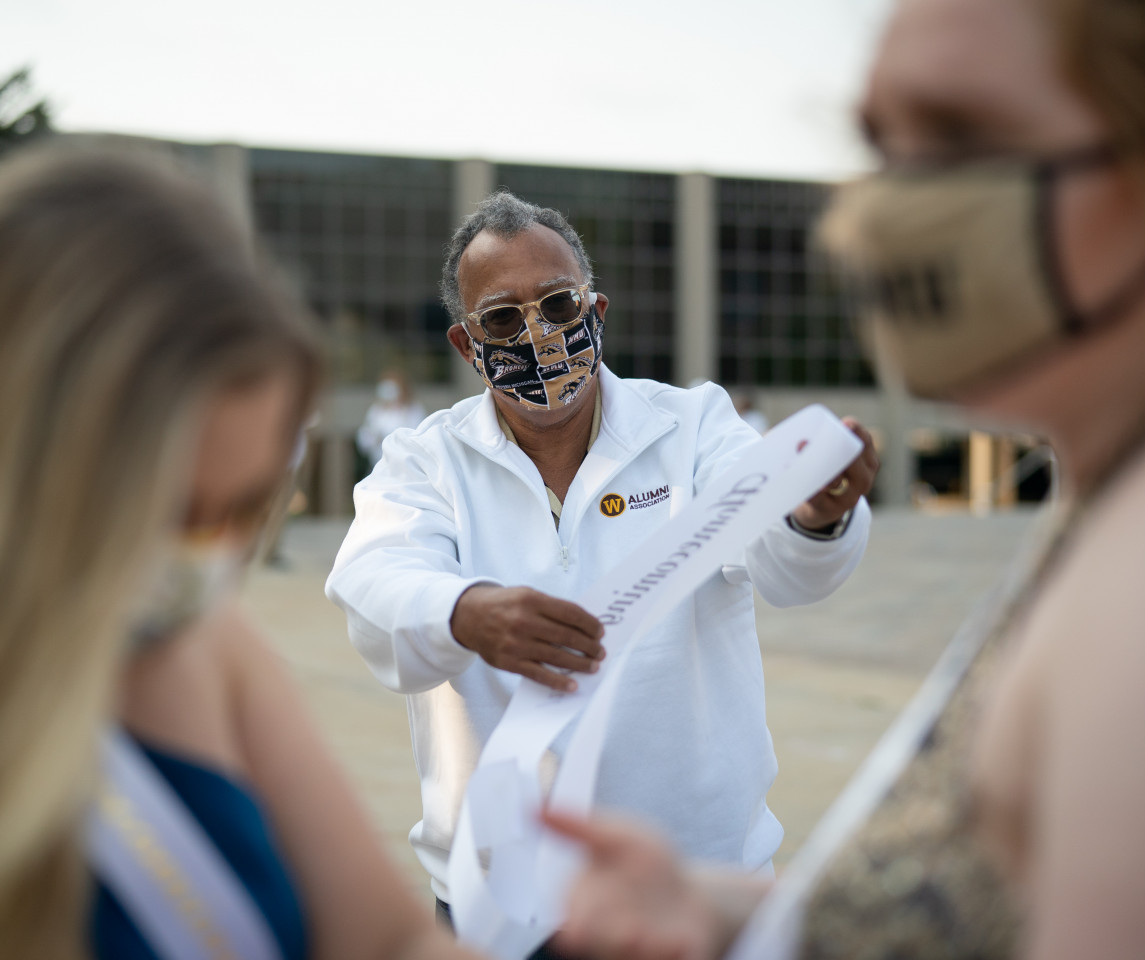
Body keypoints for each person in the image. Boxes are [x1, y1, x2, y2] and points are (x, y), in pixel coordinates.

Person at [543, 0, 1145, 957]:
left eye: (964, 136)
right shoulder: (1119, 492)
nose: (889, 209)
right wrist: (728, 912)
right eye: (878, 142)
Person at [0, 148, 483, 960]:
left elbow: (390, 941)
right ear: (6, 440)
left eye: (242, 509)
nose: (209, 558)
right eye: (167, 512)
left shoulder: (186, 625)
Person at [324, 191, 881, 954]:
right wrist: (466, 611)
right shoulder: (425, 461)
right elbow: (375, 581)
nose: (539, 334)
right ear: (465, 344)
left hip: (695, 891)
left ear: (598, 309)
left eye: (558, 304)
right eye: (502, 319)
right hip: (500, 905)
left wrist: (812, 514)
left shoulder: (692, 428)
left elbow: (783, 560)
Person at [356, 370, 426, 469]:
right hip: (379, 465)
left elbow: (417, 437)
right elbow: (365, 440)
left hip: (405, 466)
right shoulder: (376, 410)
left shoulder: (414, 410)